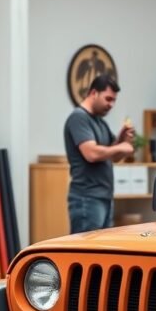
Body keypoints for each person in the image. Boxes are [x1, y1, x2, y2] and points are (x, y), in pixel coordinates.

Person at [64, 75, 135, 233]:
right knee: (85, 253)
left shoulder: (100, 122)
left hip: (104, 198)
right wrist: (122, 147)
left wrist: (120, 139)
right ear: (94, 93)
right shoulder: (79, 118)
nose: (111, 104)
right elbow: (92, 154)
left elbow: (113, 156)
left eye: (114, 100)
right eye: (108, 99)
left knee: (99, 253)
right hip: (86, 198)